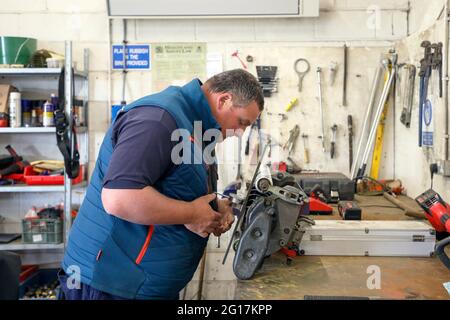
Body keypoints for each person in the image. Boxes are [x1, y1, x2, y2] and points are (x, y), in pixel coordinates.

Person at [58, 69, 264, 300]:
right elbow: (120, 197)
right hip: (110, 285)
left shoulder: (195, 128)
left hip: (143, 286)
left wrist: (214, 208)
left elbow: (174, 185)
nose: (240, 133)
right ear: (224, 99)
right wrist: (192, 215)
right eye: (242, 122)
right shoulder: (158, 120)